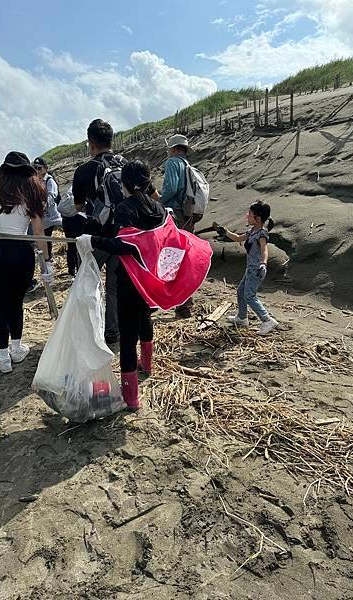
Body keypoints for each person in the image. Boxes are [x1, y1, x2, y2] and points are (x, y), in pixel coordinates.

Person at [76, 159, 212, 410]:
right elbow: (154, 241)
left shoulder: (125, 208)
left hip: (131, 278)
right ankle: (147, 365)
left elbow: (127, 245)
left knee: (127, 339)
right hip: (152, 279)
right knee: (144, 319)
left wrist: (92, 240)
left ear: (124, 184)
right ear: (149, 180)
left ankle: (131, 398)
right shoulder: (158, 208)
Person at [73, 119, 158, 345]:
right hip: (124, 235)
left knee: (87, 281)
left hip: (95, 237)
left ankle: (87, 330)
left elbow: (78, 207)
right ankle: (112, 330)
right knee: (114, 285)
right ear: (112, 140)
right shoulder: (128, 166)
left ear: (90, 143)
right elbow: (153, 196)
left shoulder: (83, 170)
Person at [0, 152, 52, 373]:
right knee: (16, 302)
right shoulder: (33, 188)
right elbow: (38, 231)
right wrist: (47, 261)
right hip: (21, 252)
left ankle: (3, 358)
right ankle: (17, 348)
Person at [216, 201, 279, 335]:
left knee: (249, 295)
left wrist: (263, 264)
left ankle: (267, 320)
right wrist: (225, 232)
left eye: (249, 214)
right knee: (240, 292)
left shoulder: (261, 234)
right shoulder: (252, 231)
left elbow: (264, 250)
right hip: (250, 268)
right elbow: (238, 238)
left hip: (256, 269)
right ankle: (242, 318)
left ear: (258, 218)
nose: (247, 216)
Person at [160, 134, 196, 318]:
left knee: (173, 258)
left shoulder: (173, 163)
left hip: (175, 215)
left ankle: (178, 302)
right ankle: (186, 302)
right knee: (186, 259)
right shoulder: (188, 165)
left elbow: (171, 188)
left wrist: (158, 199)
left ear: (173, 149)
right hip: (188, 216)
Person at [33, 157, 62, 260]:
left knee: (47, 237)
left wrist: (44, 204)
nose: (37, 170)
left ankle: (48, 257)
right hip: (42, 216)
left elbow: (52, 195)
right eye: (35, 168)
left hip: (52, 216)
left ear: (45, 168)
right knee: (45, 237)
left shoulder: (49, 181)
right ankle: (47, 257)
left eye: (39, 168)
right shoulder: (36, 181)